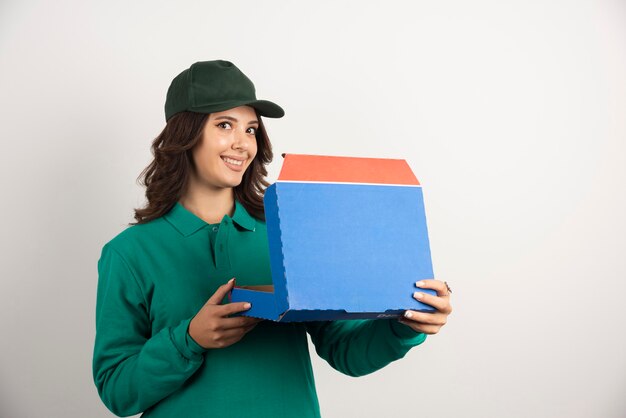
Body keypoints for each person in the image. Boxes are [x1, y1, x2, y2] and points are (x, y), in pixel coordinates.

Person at [92, 60, 453, 418]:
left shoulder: (289, 234)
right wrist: (190, 339)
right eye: (224, 125)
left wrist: (403, 327)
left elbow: (346, 351)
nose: (242, 144)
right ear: (184, 135)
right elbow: (118, 391)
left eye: (250, 129)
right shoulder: (129, 253)